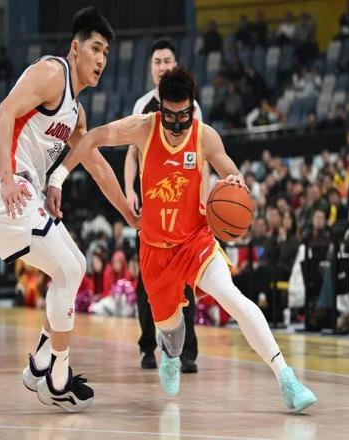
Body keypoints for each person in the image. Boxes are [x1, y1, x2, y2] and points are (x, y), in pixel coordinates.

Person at [50, 67, 317, 412]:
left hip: (195, 241)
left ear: (192, 108)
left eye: (184, 116)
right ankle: (171, 354)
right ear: (160, 108)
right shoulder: (143, 128)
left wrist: (236, 183)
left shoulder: (205, 136)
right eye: (170, 117)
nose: (177, 126)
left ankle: (287, 379)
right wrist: (58, 177)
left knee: (232, 298)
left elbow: (232, 174)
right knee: (172, 332)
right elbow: (91, 139)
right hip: (155, 251)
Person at [0, 7, 138, 413]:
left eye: (106, 53)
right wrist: (7, 178)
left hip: (20, 190)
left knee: (74, 266)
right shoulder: (51, 73)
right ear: (75, 48)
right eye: (95, 49)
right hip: (1, 186)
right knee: (70, 269)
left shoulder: (76, 113)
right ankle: (57, 379)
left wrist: (130, 215)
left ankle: (40, 365)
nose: (101, 59)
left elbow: (96, 165)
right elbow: (4, 113)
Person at [124, 38, 205, 373]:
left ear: (175, 65)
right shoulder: (142, 106)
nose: (162, 66)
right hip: (152, 210)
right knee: (148, 282)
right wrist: (129, 190)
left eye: (167, 61)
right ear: (150, 68)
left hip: (183, 210)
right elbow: (131, 154)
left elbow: (202, 155)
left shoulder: (192, 107)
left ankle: (187, 352)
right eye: (157, 61)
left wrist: (203, 199)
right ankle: (148, 347)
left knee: (186, 281)